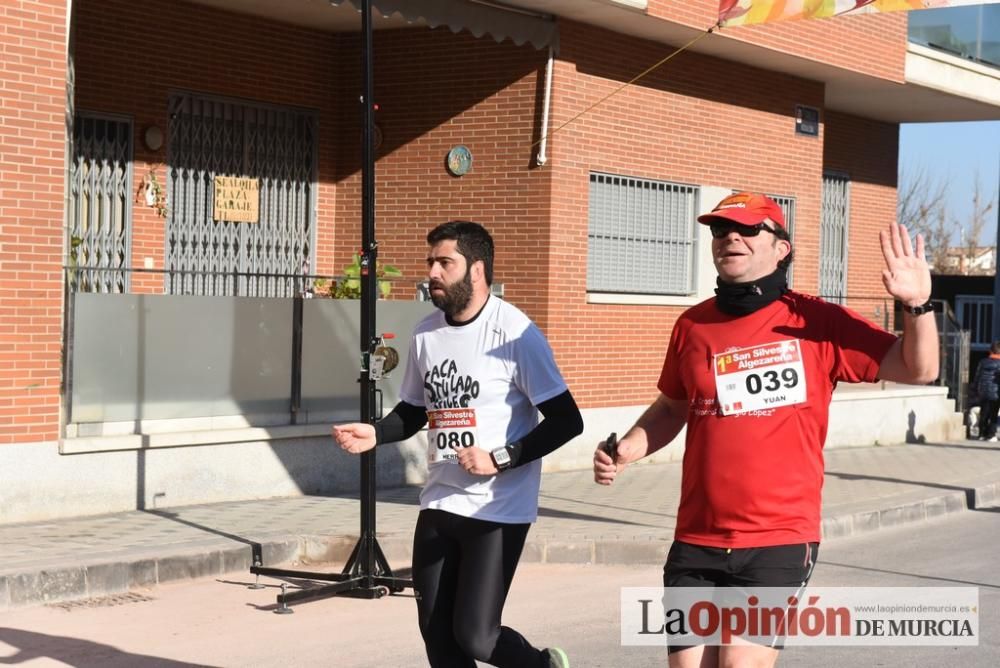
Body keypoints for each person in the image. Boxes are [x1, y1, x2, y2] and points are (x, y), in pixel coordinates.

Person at [593, 192, 939, 667]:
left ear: (782, 247)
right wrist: (627, 448)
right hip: (697, 538)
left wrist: (918, 306)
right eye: (719, 229)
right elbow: (673, 408)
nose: (730, 236)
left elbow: (918, 369)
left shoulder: (816, 321)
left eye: (747, 228)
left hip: (776, 538)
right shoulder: (692, 325)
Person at [334, 221, 582, 668]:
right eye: (431, 262)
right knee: (436, 634)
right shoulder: (427, 333)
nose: (432, 271)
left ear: (477, 269)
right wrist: (377, 433)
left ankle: (544, 665)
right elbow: (413, 410)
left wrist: (501, 458)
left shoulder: (514, 334)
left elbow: (568, 421)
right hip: (440, 499)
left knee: (475, 637)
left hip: (498, 507)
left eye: (445, 262)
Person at [972, 341, 1000, 442]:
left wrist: (975, 389)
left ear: (990, 351)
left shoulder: (983, 362)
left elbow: (977, 377)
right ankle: (991, 435)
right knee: (993, 414)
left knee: (984, 413)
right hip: (996, 393)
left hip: (983, 391)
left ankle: (982, 434)